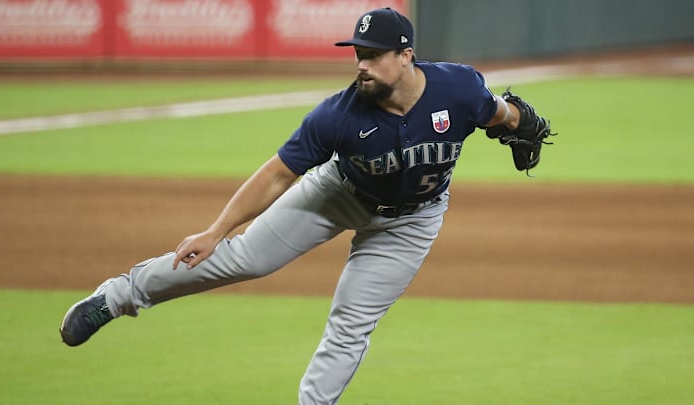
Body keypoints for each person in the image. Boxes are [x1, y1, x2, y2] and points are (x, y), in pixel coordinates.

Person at [60, 7, 549, 404]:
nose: (362, 63)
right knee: (243, 258)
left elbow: (499, 113)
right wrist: (216, 229)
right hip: (337, 194)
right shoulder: (337, 115)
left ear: (406, 56)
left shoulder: (458, 88)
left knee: (350, 325)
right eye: (358, 53)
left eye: (374, 55)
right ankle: (117, 297)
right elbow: (277, 172)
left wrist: (520, 121)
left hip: (411, 223)